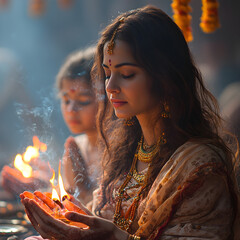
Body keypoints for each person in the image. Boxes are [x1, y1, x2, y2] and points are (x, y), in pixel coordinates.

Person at [20, 5, 240, 240]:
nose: (110, 87)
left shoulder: (200, 166)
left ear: (164, 78)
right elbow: (101, 225)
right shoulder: (125, 150)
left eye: (126, 75)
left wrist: (115, 237)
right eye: (107, 74)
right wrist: (70, 221)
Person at [56, 46, 100, 204]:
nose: (71, 110)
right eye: (66, 100)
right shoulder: (77, 146)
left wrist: (82, 189)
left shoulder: (120, 152)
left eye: (83, 101)